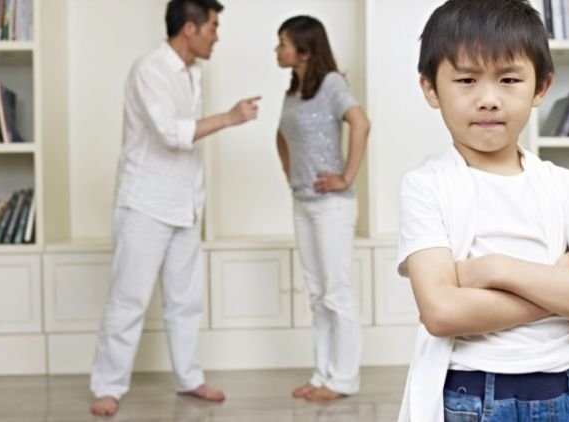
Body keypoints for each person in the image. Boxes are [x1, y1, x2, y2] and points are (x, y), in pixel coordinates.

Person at [396, 1, 569, 420]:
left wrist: (495, 270)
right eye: (466, 80)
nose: (488, 99)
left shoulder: (564, 186)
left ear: (540, 87)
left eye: (509, 79)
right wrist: (563, 290)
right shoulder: (426, 187)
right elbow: (442, 312)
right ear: (431, 89)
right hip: (471, 399)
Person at [90, 0, 261, 416]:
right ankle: (108, 386)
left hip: (184, 205)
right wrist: (230, 118)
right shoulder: (149, 69)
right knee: (128, 300)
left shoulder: (193, 72)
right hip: (144, 204)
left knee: (185, 302)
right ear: (190, 28)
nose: (217, 36)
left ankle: (189, 378)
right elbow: (170, 134)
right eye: (213, 26)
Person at [275, 15, 370, 402]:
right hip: (303, 203)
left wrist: (346, 177)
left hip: (332, 205)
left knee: (337, 293)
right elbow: (281, 136)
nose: (277, 50)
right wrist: (290, 173)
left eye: (282, 43)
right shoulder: (293, 91)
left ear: (306, 48)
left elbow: (361, 123)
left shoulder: (332, 84)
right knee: (317, 295)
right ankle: (322, 374)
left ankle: (344, 380)